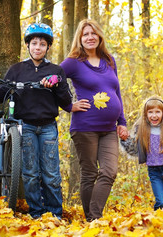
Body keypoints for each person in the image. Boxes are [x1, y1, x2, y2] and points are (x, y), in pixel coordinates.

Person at [0, 23, 72, 219]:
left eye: (43, 44)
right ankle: (37, 213)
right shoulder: (16, 70)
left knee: (51, 174)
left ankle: (55, 215)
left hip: (48, 128)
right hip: (25, 127)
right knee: (30, 173)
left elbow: (66, 101)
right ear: (28, 45)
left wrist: (57, 84)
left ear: (48, 47)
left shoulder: (56, 71)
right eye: (34, 43)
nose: (38, 47)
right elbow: (1, 94)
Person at [60, 19, 129, 221]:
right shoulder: (73, 62)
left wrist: (122, 122)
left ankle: (94, 217)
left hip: (109, 129)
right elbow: (54, 80)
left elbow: (117, 92)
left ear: (99, 36)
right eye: (85, 34)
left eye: (93, 33)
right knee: (89, 173)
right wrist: (68, 105)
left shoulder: (109, 60)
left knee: (109, 172)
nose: (90, 37)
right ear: (79, 39)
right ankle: (93, 221)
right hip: (85, 127)